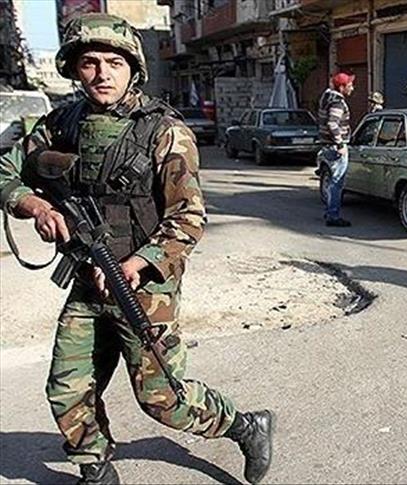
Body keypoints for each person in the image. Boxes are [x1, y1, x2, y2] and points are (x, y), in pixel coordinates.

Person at [0, 14, 274, 484]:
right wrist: (35, 205)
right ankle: (95, 469)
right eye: (90, 62)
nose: (102, 74)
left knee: (163, 399)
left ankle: (245, 425)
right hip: (86, 280)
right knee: (67, 389)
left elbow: (189, 217)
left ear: (133, 68)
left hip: (145, 288)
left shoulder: (164, 131)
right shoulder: (60, 123)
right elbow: (6, 171)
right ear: (75, 69)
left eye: (114, 62)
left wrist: (138, 262)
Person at [317, 72, 355, 227]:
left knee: (333, 181)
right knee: (337, 182)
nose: (352, 88)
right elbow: (332, 123)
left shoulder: (326, 98)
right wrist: (340, 144)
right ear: (341, 87)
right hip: (335, 147)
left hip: (327, 145)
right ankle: (333, 216)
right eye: (350, 85)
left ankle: (330, 212)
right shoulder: (337, 102)